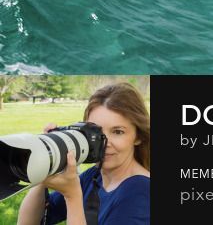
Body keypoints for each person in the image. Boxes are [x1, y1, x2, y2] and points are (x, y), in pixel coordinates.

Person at [17, 82, 150, 225]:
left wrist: (72, 196)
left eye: (118, 132)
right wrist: (47, 165)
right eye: (96, 132)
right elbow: (29, 222)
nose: (104, 143)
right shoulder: (94, 177)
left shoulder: (141, 191)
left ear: (138, 136)